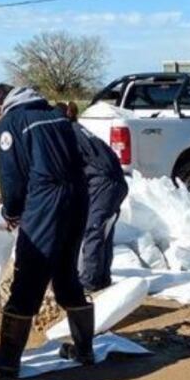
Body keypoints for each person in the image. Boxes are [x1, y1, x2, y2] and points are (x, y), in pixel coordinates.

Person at [0, 84, 93, 377]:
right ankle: (85, 349)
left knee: (30, 272)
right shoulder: (54, 114)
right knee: (66, 271)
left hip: (46, 199)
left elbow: (11, 176)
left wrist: (11, 211)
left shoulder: (13, 122)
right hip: (78, 197)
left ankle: (8, 359)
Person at [54, 101, 129, 292]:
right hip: (114, 183)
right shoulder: (79, 129)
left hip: (105, 184)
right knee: (103, 231)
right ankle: (101, 278)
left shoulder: (68, 135)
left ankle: (88, 282)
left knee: (93, 230)